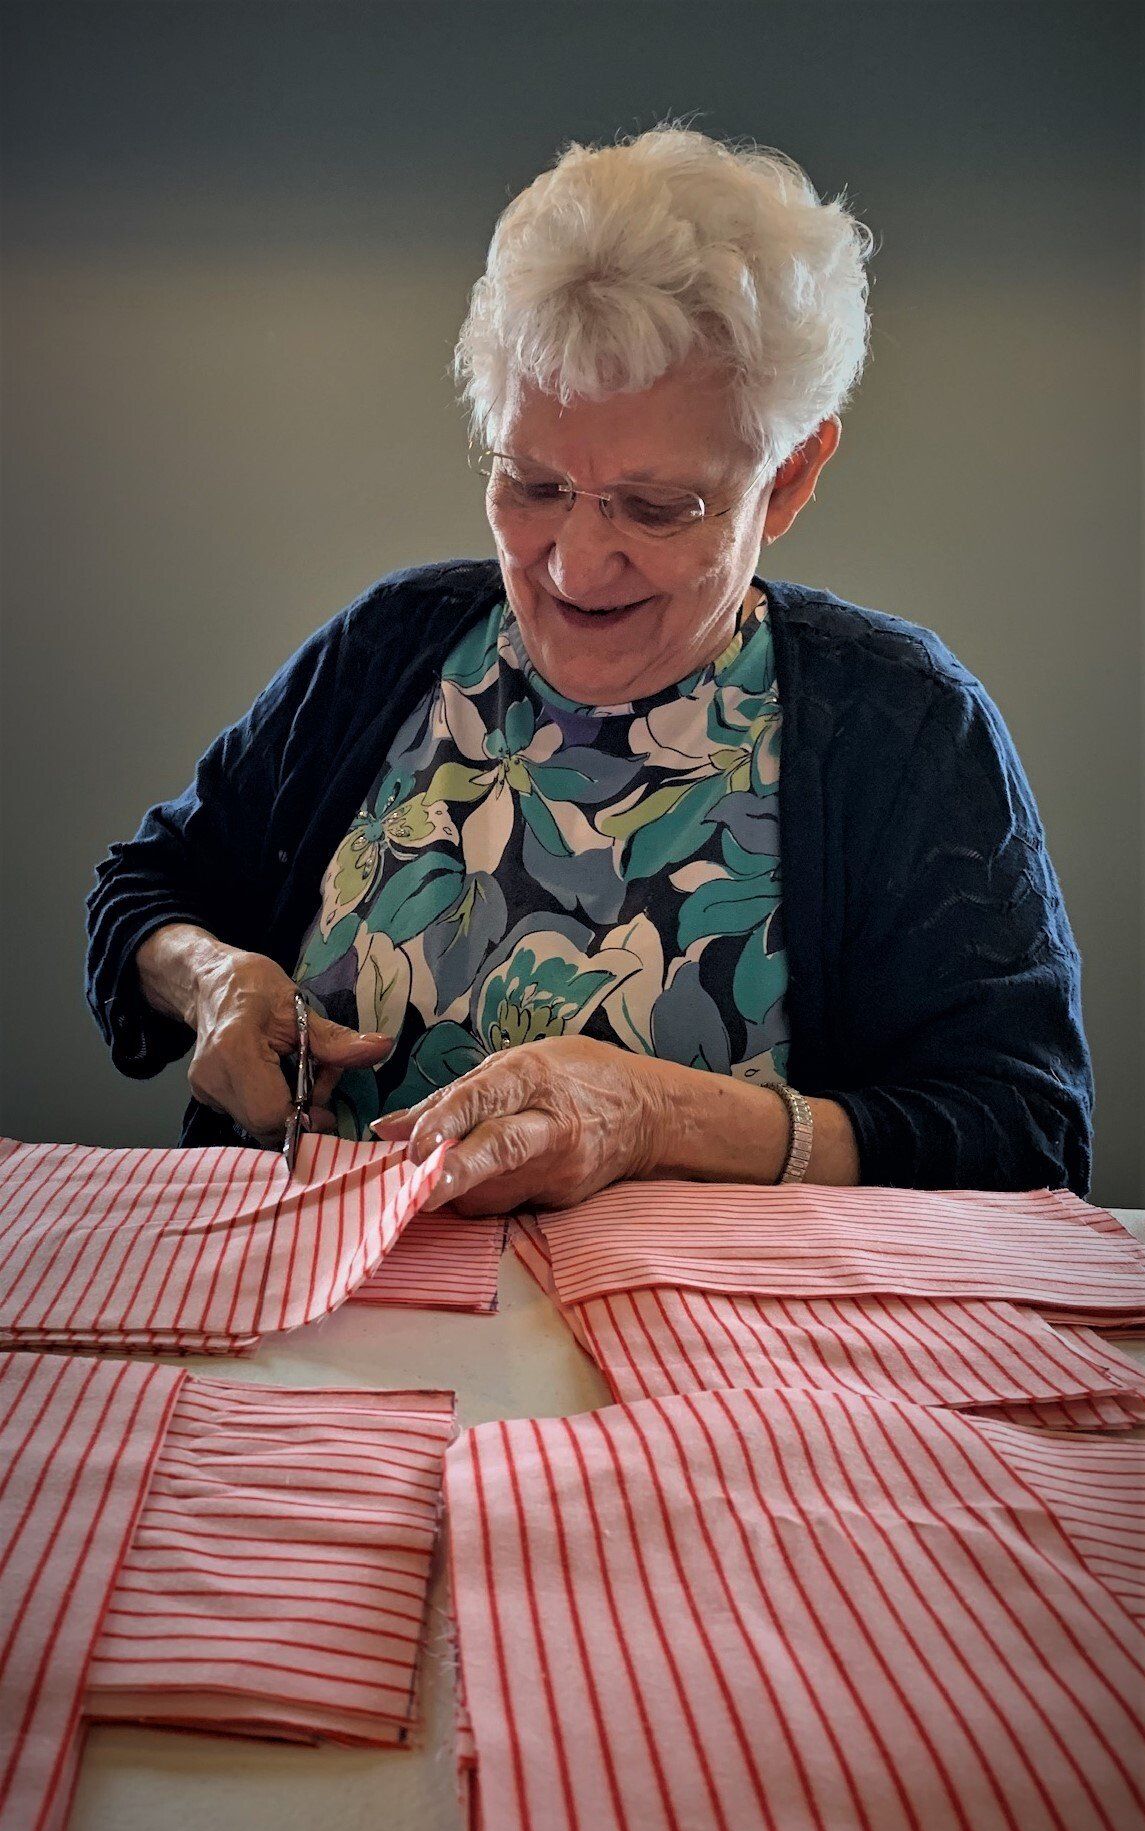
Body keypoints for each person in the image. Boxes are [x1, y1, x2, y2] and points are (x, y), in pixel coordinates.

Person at [85, 127, 1092, 1214]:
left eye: (657, 507)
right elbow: (145, 889)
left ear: (790, 481)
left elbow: (1025, 1129)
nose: (574, 562)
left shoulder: (904, 727)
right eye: (533, 484)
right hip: (316, 1336)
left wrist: (662, 1116)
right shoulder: (389, 647)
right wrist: (212, 980)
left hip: (716, 1373)